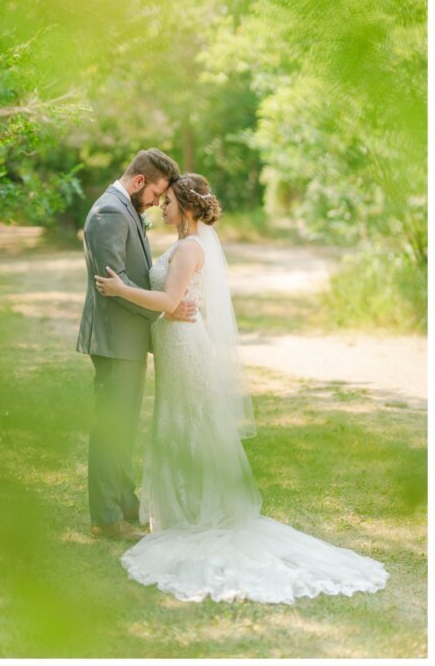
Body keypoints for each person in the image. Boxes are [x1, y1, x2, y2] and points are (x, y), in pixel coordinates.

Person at [94, 173, 388, 603]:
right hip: (178, 344)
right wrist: (164, 305)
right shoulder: (186, 245)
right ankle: (181, 509)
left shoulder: (189, 248)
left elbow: (170, 301)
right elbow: (175, 301)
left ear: (189, 207)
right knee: (181, 421)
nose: (163, 206)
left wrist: (122, 289)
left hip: (183, 347)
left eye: (170, 200)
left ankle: (194, 512)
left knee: (188, 423)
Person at [76, 148, 185, 541]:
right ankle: (106, 519)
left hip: (128, 339)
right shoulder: (109, 213)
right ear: (139, 182)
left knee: (122, 427)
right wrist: (162, 313)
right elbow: (114, 286)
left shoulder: (125, 209)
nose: (157, 203)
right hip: (114, 339)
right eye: (156, 194)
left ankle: (125, 502)